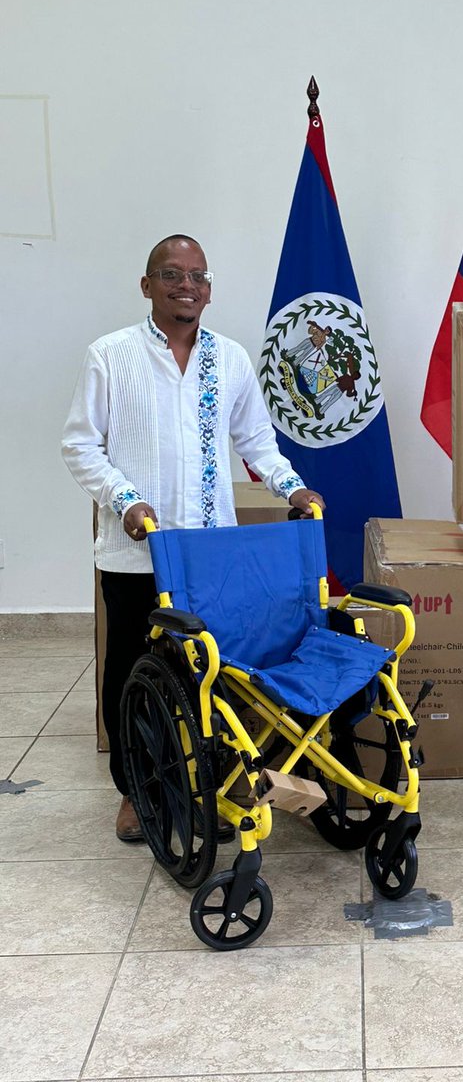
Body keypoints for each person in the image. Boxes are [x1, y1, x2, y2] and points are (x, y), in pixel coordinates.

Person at [62, 235, 325, 841]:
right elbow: (80, 444)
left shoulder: (229, 359)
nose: (187, 285)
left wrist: (292, 488)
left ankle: (208, 781)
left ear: (209, 291)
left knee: (208, 673)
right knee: (134, 671)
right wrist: (124, 499)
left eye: (198, 276)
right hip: (138, 553)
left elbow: (257, 442)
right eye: (172, 274)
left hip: (209, 555)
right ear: (146, 284)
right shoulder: (111, 355)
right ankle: (138, 790)